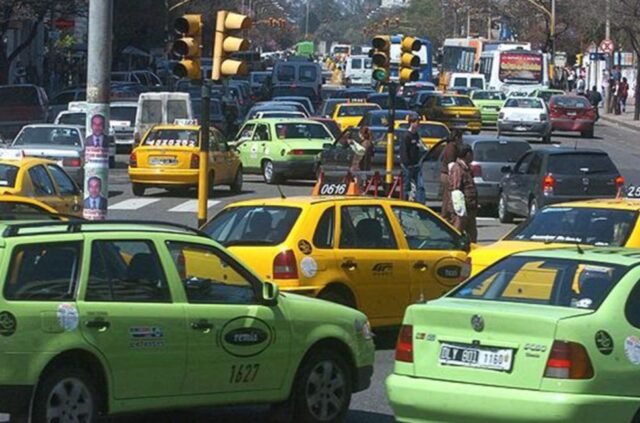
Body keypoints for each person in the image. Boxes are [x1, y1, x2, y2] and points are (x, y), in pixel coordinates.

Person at [449, 144, 478, 243]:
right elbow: (456, 189)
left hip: (470, 207)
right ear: (467, 154)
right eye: (471, 154)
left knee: (472, 235)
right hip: (462, 209)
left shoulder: (467, 168)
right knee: (457, 232)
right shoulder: (458, 168)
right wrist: (460, 209)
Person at [399, 116, 426, 204]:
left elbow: (420, 147)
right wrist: (406, 163)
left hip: (417, 165)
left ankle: (420, 204)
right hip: (408, 166)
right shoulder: (406, 136)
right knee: (406, 186)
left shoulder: (416, 135)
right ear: (411, 123)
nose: (418, 125)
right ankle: (404, 203)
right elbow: (404, 151)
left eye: (419, 123)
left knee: (420, 186)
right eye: (417, 123)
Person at [440, 130, 463, 222]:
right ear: (456, 138)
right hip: (448, 175)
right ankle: (445, 217)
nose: (461, 140)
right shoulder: (451, 147)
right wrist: (453, 177)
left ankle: (447, 216)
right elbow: (451, 164)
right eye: (461, 138)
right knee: (448, 197)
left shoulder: (452, 146)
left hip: (447, 174)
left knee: (447, 196)